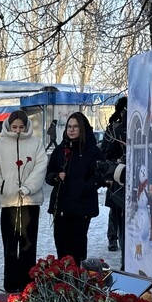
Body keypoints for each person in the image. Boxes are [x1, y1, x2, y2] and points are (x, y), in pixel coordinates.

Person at [0, 110, 46, 293]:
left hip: (29, 203)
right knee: (10, 246)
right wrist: (1, 186)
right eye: (14, 127)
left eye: (21, 127)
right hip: (8, 203)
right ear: (8, 126)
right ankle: (11, 285)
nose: (18, 130)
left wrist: (28, 187)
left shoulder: (36, 144)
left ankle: (28, 284)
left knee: (28, 245)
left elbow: (40, 167)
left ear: (26, 127)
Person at [45, 112, 104, 264]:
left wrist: (81, 187)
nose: (71, 130)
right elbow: (49, 174)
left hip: (81, 208)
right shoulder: (60, 149)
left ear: (82, 128)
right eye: (69, 126)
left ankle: (77, 284)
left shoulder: (92, 151)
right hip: (62, 208)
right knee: (62, 250)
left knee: (77, 251)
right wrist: (56, 177)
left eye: (75, 127)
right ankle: (63, 285)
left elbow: (98, 177)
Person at [101, 97, 127, 253]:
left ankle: (118, 239)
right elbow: (105, 152)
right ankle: (112, 238)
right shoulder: (113, 129)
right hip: (116, 176)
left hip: (124, 176)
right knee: (115, 208)